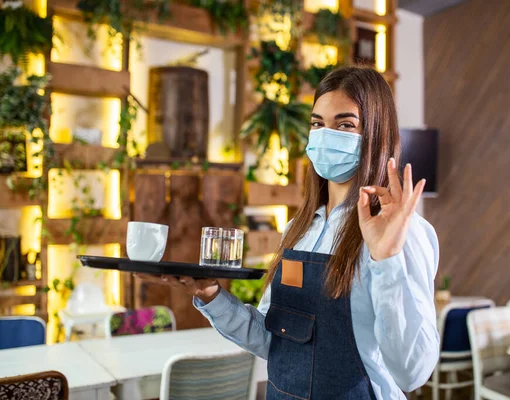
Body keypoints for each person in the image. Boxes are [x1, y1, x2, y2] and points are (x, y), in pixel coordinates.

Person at [138, 66, 440, 399]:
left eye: (345, 124)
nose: (326, 135)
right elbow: (273, 341)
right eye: (317, 124)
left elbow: (412, 372)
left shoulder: (405, 233)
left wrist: (387, 261)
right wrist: (212, 295)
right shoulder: (298, 230)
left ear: (376, 134)